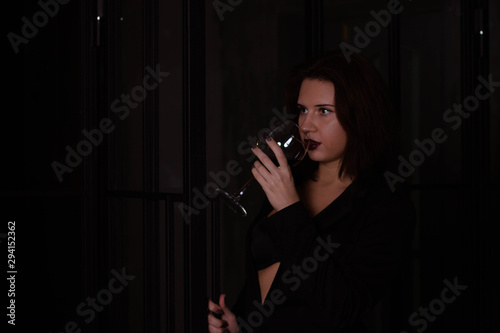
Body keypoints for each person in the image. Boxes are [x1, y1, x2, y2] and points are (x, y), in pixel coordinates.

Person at [208, 51, 415, 332]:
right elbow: (270, 272)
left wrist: (290, 209)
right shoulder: (293, 181)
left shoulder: (385, 206)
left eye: (324, 111)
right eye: (303, 110)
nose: (305, 125)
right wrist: (240, 324)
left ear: (360, 115)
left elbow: (342, 310)